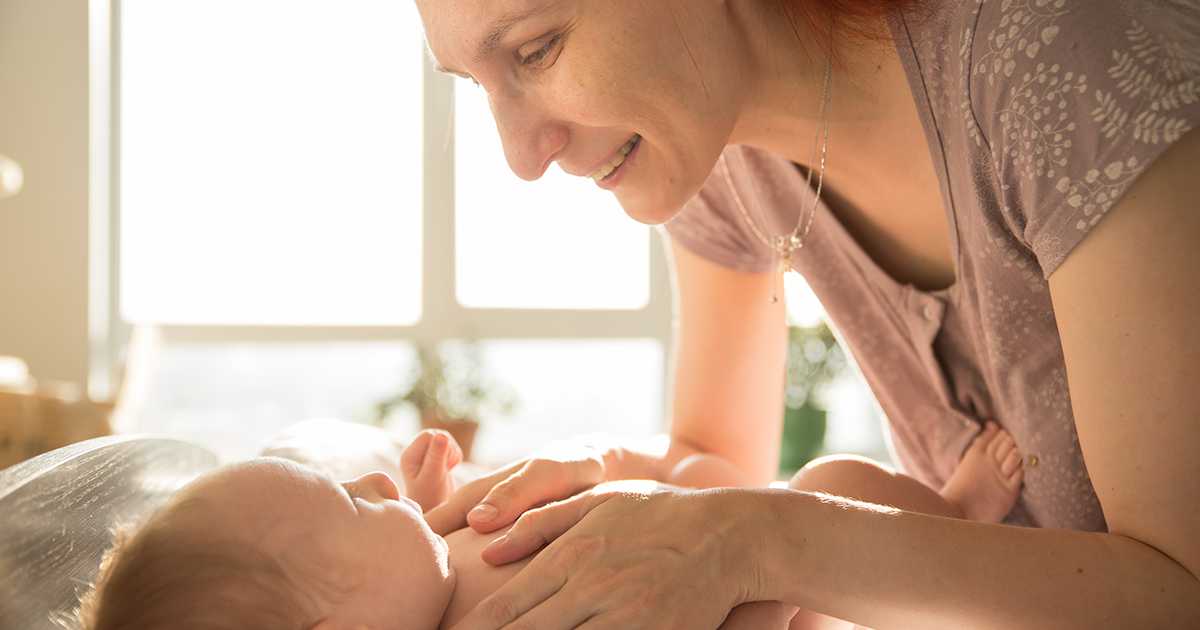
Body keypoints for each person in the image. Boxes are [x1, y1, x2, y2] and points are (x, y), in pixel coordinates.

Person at [413, 0, 1200, 626]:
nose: (520, 156)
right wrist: (613, 465)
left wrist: (767, 538)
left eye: (536, 49)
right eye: (472, 83)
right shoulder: (709, 147)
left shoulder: (1062, 53)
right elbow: (718, 461)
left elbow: (1183, 587)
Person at [74, 418, 1023, 629]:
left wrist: (426, 504)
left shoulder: (433, 572)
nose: (372, 476)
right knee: (835, 483)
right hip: (774, 604)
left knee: (836, 479)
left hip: (749, 554)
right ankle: (963, 530)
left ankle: (952, 519)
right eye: (347, 502)